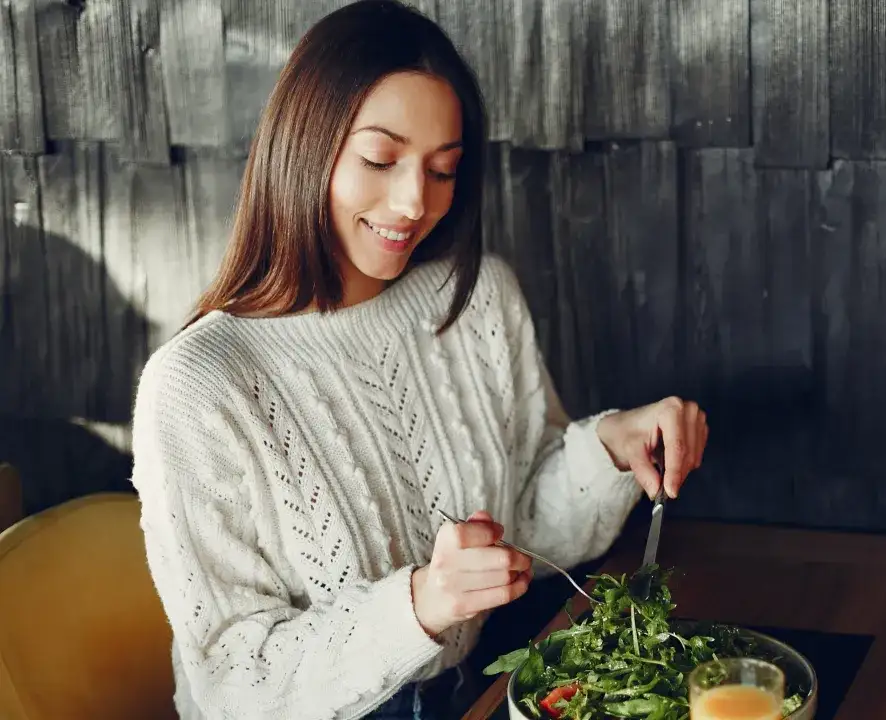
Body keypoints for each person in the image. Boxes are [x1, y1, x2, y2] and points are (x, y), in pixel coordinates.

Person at [127, 2, 709, 719]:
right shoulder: (197, 386)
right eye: (380, 160)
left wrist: (610, 447)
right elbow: (231, 682)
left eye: (443, 170)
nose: (413, 203)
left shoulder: (476, 296)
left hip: (475, 691)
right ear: (303, 146)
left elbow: (526, 530)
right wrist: (422, 604)